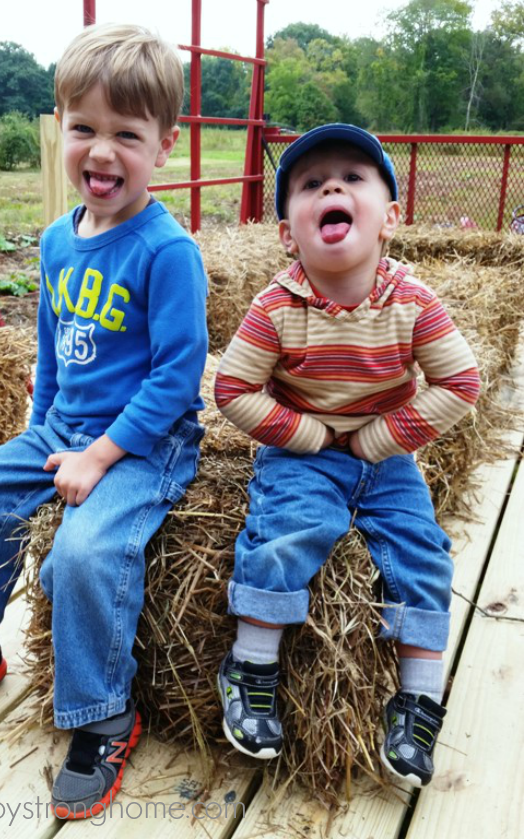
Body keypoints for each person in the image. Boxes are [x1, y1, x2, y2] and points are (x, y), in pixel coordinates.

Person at [0, 24, 208, 819]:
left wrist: (103, 454)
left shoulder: (167, 252)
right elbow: (52, 345)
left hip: (146, 443)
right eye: (84, 128)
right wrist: (41, 423)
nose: (102, 150)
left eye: (127, 133)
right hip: (64, 425)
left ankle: (104, 713)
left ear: (165, 145)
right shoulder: (57, 240)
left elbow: (176, 376)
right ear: (59, 130)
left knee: (84, 554)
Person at [214, 123, 480, 788]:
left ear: (389, 218)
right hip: (302, 452)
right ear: (287, 233)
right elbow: (233, 388)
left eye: (353, 178)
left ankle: (418, 698)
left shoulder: (412, 302)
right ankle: (250, 666)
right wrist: (307, 436)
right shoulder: (276, 306)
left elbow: (461, 383)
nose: (331, 186)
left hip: (383, 455)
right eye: (310, 184)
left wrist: (378, 440)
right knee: (293, 529)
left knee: (422, 551)